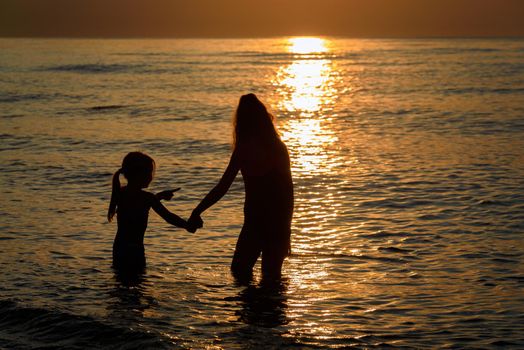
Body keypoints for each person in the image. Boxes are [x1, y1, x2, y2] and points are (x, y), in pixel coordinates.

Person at [188, 93, 294, 281]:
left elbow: (222, 187)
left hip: (255, 219)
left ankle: (249, 308)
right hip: (277, 220)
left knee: (240, 272)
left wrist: (198, 210)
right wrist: (287, 228)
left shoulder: (244, 149)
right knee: (272, 278)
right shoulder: (278, 147)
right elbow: (288, 192)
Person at [108, 151, 191, 272]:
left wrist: (158, 197)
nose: (151, 176)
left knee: (121, 283)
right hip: (135, 250)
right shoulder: (147, 198)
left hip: (119, 249)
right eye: (149, 172)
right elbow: (168, 217)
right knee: (137, 284)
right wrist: (187, 225)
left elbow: (136, 206)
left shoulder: (121, 193)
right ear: (139, 174)